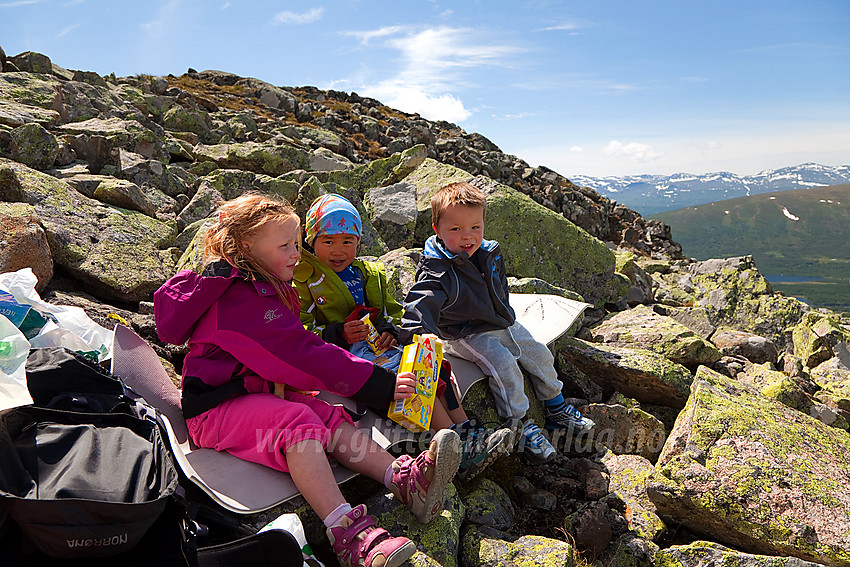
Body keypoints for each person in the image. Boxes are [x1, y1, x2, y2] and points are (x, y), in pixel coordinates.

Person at [153, 193, 461, 567]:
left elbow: (298, 349)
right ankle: (349, 534)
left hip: (256, 390)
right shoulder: (239, 301)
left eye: (297, 243)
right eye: (285, 245)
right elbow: (300, 352)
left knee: (325, 414)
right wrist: (379, 384)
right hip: (215, 410)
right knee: (298, 423)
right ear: (246, 246)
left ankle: (402, 479)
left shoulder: (257, 283)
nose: (297, 253)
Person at [293, 193, 513, 480]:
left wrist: (389, 331)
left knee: (436, 368)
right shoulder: (304, 280)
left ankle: (468, 431)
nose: (339, 250)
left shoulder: (368, 273)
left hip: (381, 346)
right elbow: (300, 331)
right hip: (347, 356)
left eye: (348, 241)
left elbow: (394, 313)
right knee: (412, 381)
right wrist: (338, 333)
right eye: (328, 241)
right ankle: (455, 447)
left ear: (358, 242)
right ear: (312, 241)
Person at [400, 182, 595, 463]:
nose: (467, 236)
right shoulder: (438, 269)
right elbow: (420, 303)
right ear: (437, 229)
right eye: (456, 229)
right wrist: (417, 334)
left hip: (500, 321)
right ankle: (520, 424)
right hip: (464, 332)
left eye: (475, 227)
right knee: (504, 366)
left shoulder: (489, 252)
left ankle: (556, 407)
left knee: (539, 352)